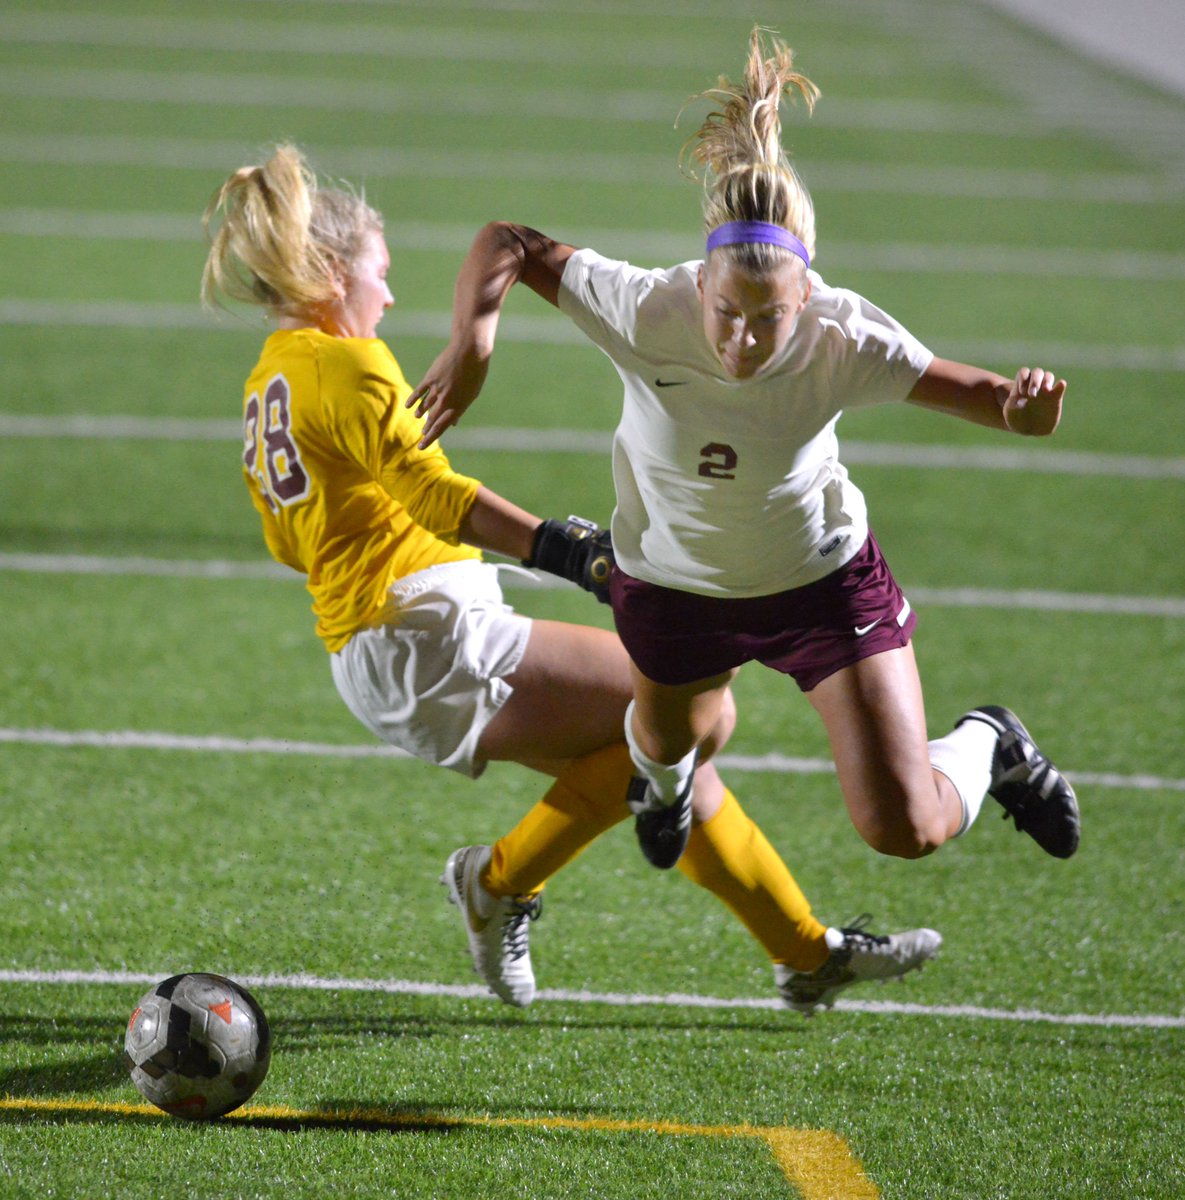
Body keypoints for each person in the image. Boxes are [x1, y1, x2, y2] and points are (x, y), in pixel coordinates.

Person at [200, 143, 942, 1017]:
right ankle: (498, 881)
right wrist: (566, 550)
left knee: (666, 760)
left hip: (380, 640)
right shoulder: (350, 365)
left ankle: (803, 954)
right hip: (421, 632)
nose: (389, 295)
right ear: (331, 272)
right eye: (380, 273)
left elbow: (295, 543)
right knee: (689, 723)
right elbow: (433, 496)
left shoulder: (269, 379)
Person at [408, 28, 1081, 873]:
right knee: (656, 745)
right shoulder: (649, 309)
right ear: (700, 280)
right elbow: (507, 241)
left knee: (904, 826)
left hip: (820, 585)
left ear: (808, 295)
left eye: (770, 317)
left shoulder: (845, 338)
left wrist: (1024, 415)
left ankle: (990, 743)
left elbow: (985, 397)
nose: (743, 337)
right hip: (670, 583)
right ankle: (663, 782)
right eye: (727, 310)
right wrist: (470, 350)